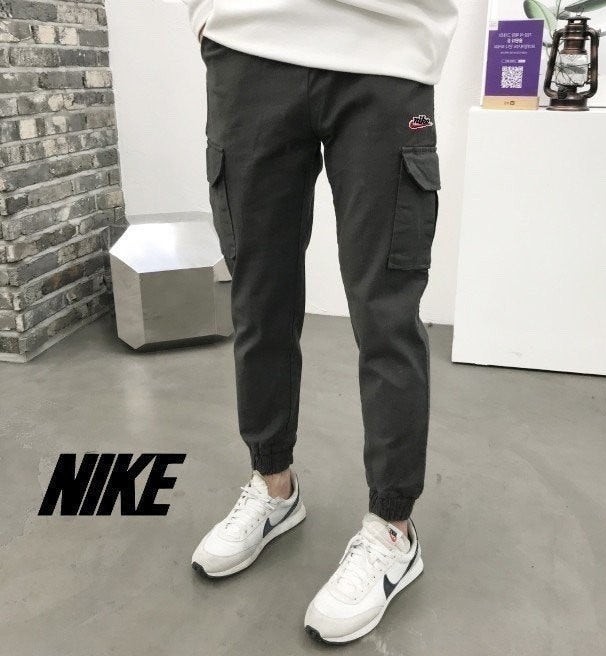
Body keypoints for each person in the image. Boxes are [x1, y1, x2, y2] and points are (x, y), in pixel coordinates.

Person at [181, 0, 458, 644]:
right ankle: (273, 485)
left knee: (385, 313)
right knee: (259, 299)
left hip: (386, 47)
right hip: (248, 44)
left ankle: (393, 528)